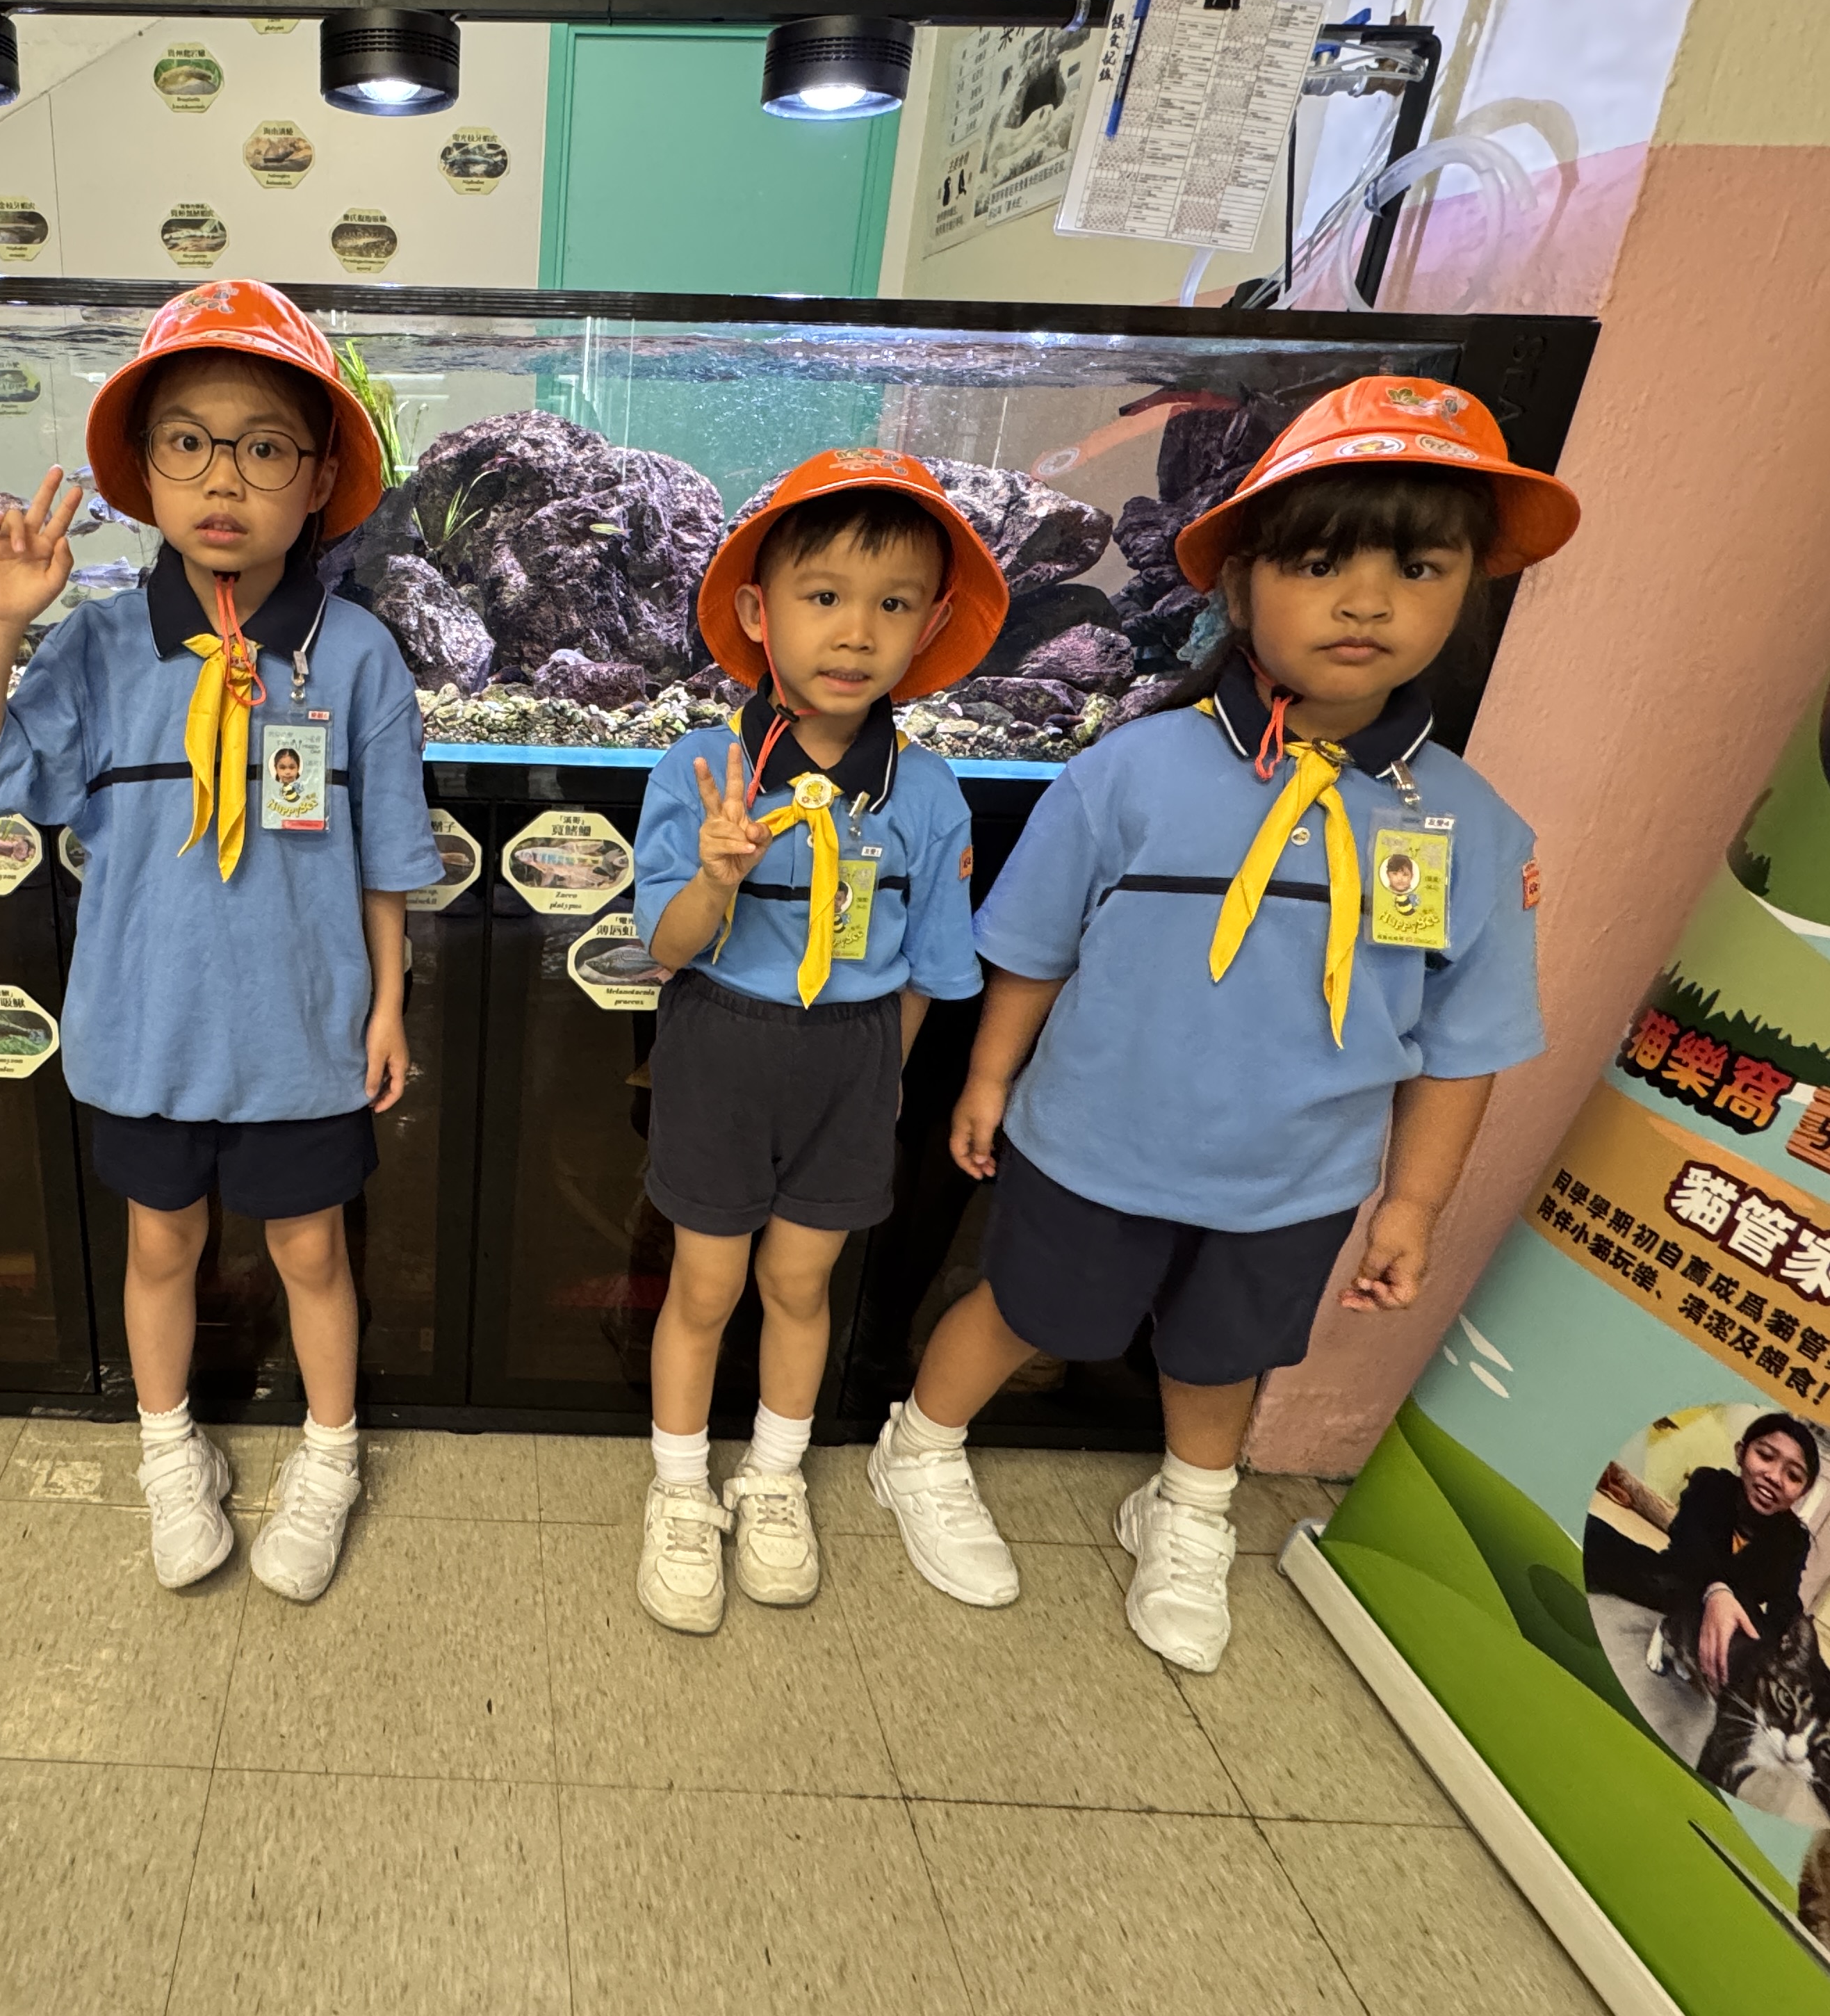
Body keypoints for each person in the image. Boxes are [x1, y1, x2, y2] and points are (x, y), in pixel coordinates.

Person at [873, 377, 1580, 1673]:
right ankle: (918, 1443)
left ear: (1469, 589)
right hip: (1092, 1143)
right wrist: (986, 1080)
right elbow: (1031, 947)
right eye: (1319, 563)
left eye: (1416, 567)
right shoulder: (1127, 770)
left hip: (1296, 1178)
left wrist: (1413, 1203)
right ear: (1242, 584)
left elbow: (1463, 1041)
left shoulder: (1471, 827)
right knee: (1025, 1306)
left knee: (1223, 1353)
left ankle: (1190, 1509)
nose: (1365, 601)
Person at [0, 281, 443, 1602]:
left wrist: (388, 1003)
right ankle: (169, 1450)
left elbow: (389, 854)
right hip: (145, 1027)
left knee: (312, 1250)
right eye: (189, 442)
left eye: (265, 447)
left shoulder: (359, 656)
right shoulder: (100, 646)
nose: (225, 479)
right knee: (158, 1244)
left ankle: (329, 1455)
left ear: (318, 479)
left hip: (303, 1031)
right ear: (144, 468)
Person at [626, 450, 1002, 1634]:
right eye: (824, 595)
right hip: (720, 1048)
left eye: (892, 603)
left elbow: (931, 966)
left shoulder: (926, 792)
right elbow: (667, 946)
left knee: (800, 1281)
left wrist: (883, 1077)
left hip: (853, 1058)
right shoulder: (699, 767)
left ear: (929, 625)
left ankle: (775, 1476)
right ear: (757, 610)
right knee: (705, 1282)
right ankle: (678, 1488)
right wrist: (717, 876)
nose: (855, 631)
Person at [1587, 1414, 1820, 1693]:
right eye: (1765, 1456)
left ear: (1803, 1492)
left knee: (1762, 1640)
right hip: (1676, 1579)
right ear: (1740, 1452)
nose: (1774, 1477)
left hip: (1734, 1612)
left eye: (1793, 1476)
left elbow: (1785, 1600)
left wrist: (1793, 1646)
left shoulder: (1793, 1540)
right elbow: (1689, 1543)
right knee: (1603, 1548)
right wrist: (1716, 1591)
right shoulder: (1710, 1484)